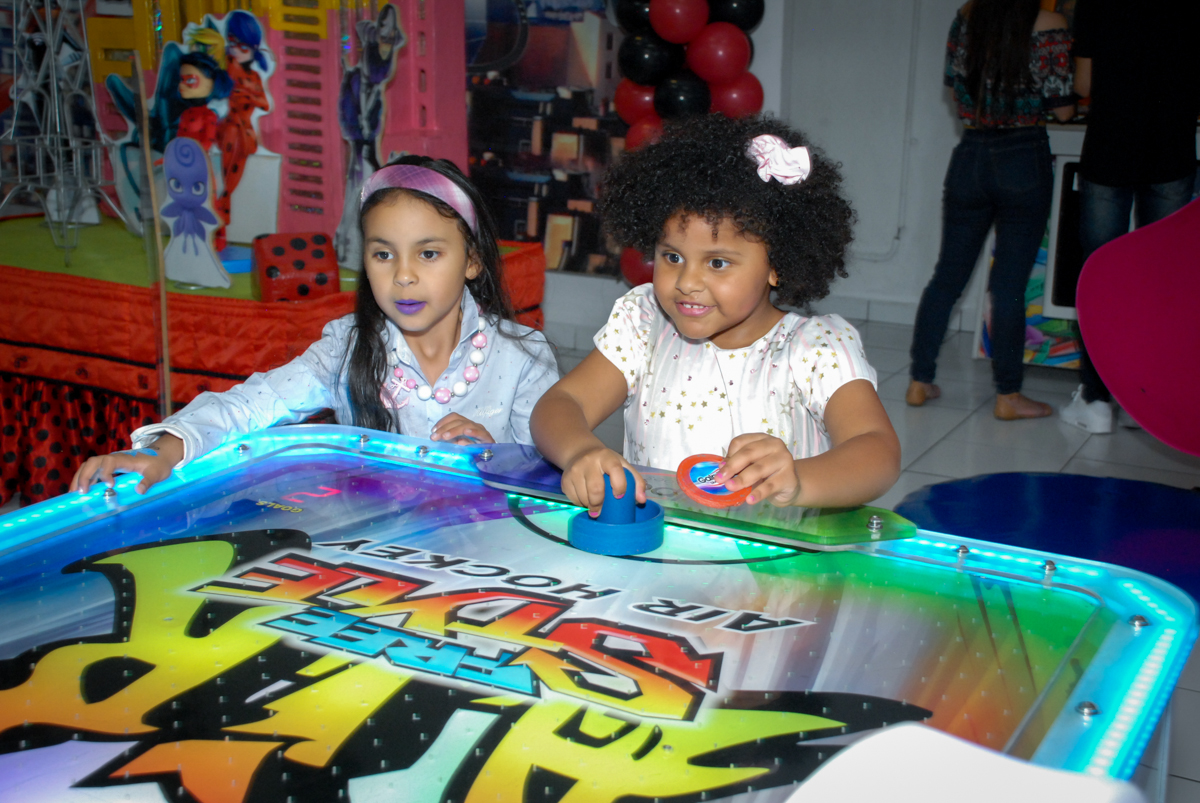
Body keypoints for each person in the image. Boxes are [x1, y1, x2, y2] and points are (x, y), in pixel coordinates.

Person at [70, 156, 560, 495]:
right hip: (374, 553)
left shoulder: (522, 356)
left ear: (472, 260)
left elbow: (555, 477)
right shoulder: (347, 347)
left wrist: (497, 456)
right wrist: (164, 450)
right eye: (383, 254)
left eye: (429, 253)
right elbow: (246, 407)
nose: (404, 275)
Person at [530, 114, 900, 515]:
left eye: (718, 263)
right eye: (672, 257)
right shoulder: (644, 326)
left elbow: (877, 450)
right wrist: (581, 451)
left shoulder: (814, 349)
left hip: (771, 569)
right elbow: (560, 403)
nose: (687, 281)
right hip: (660, 554)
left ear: (777, 265)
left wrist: (798, 479)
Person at [906, 0, 1074, 419]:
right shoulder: (1050, 24)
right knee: (1009, 286)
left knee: (947, 276)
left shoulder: (967, 17)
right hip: (1023, 158)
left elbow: (953, 87)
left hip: (971, 154)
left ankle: (918, 381)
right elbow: (1064, 108)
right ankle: (1008, 395)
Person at [1059, 0, 1200, 434]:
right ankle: (1148, 400)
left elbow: (1084, 81)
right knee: (1166, 285)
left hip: (1109, 151)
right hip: (1171, 151)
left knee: (1100, 280)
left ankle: (1097, 399)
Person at [214, 10, 272, 227]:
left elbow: (265, 103)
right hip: (230, 128)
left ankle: (225, 203)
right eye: (232, 43)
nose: (236, 50)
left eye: (243, 47)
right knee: (230, 158)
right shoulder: (228, 68)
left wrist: (248, 94)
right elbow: (220, 91)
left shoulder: (254, 76)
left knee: (238, 163)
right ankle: (224, 205)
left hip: (246, 130)